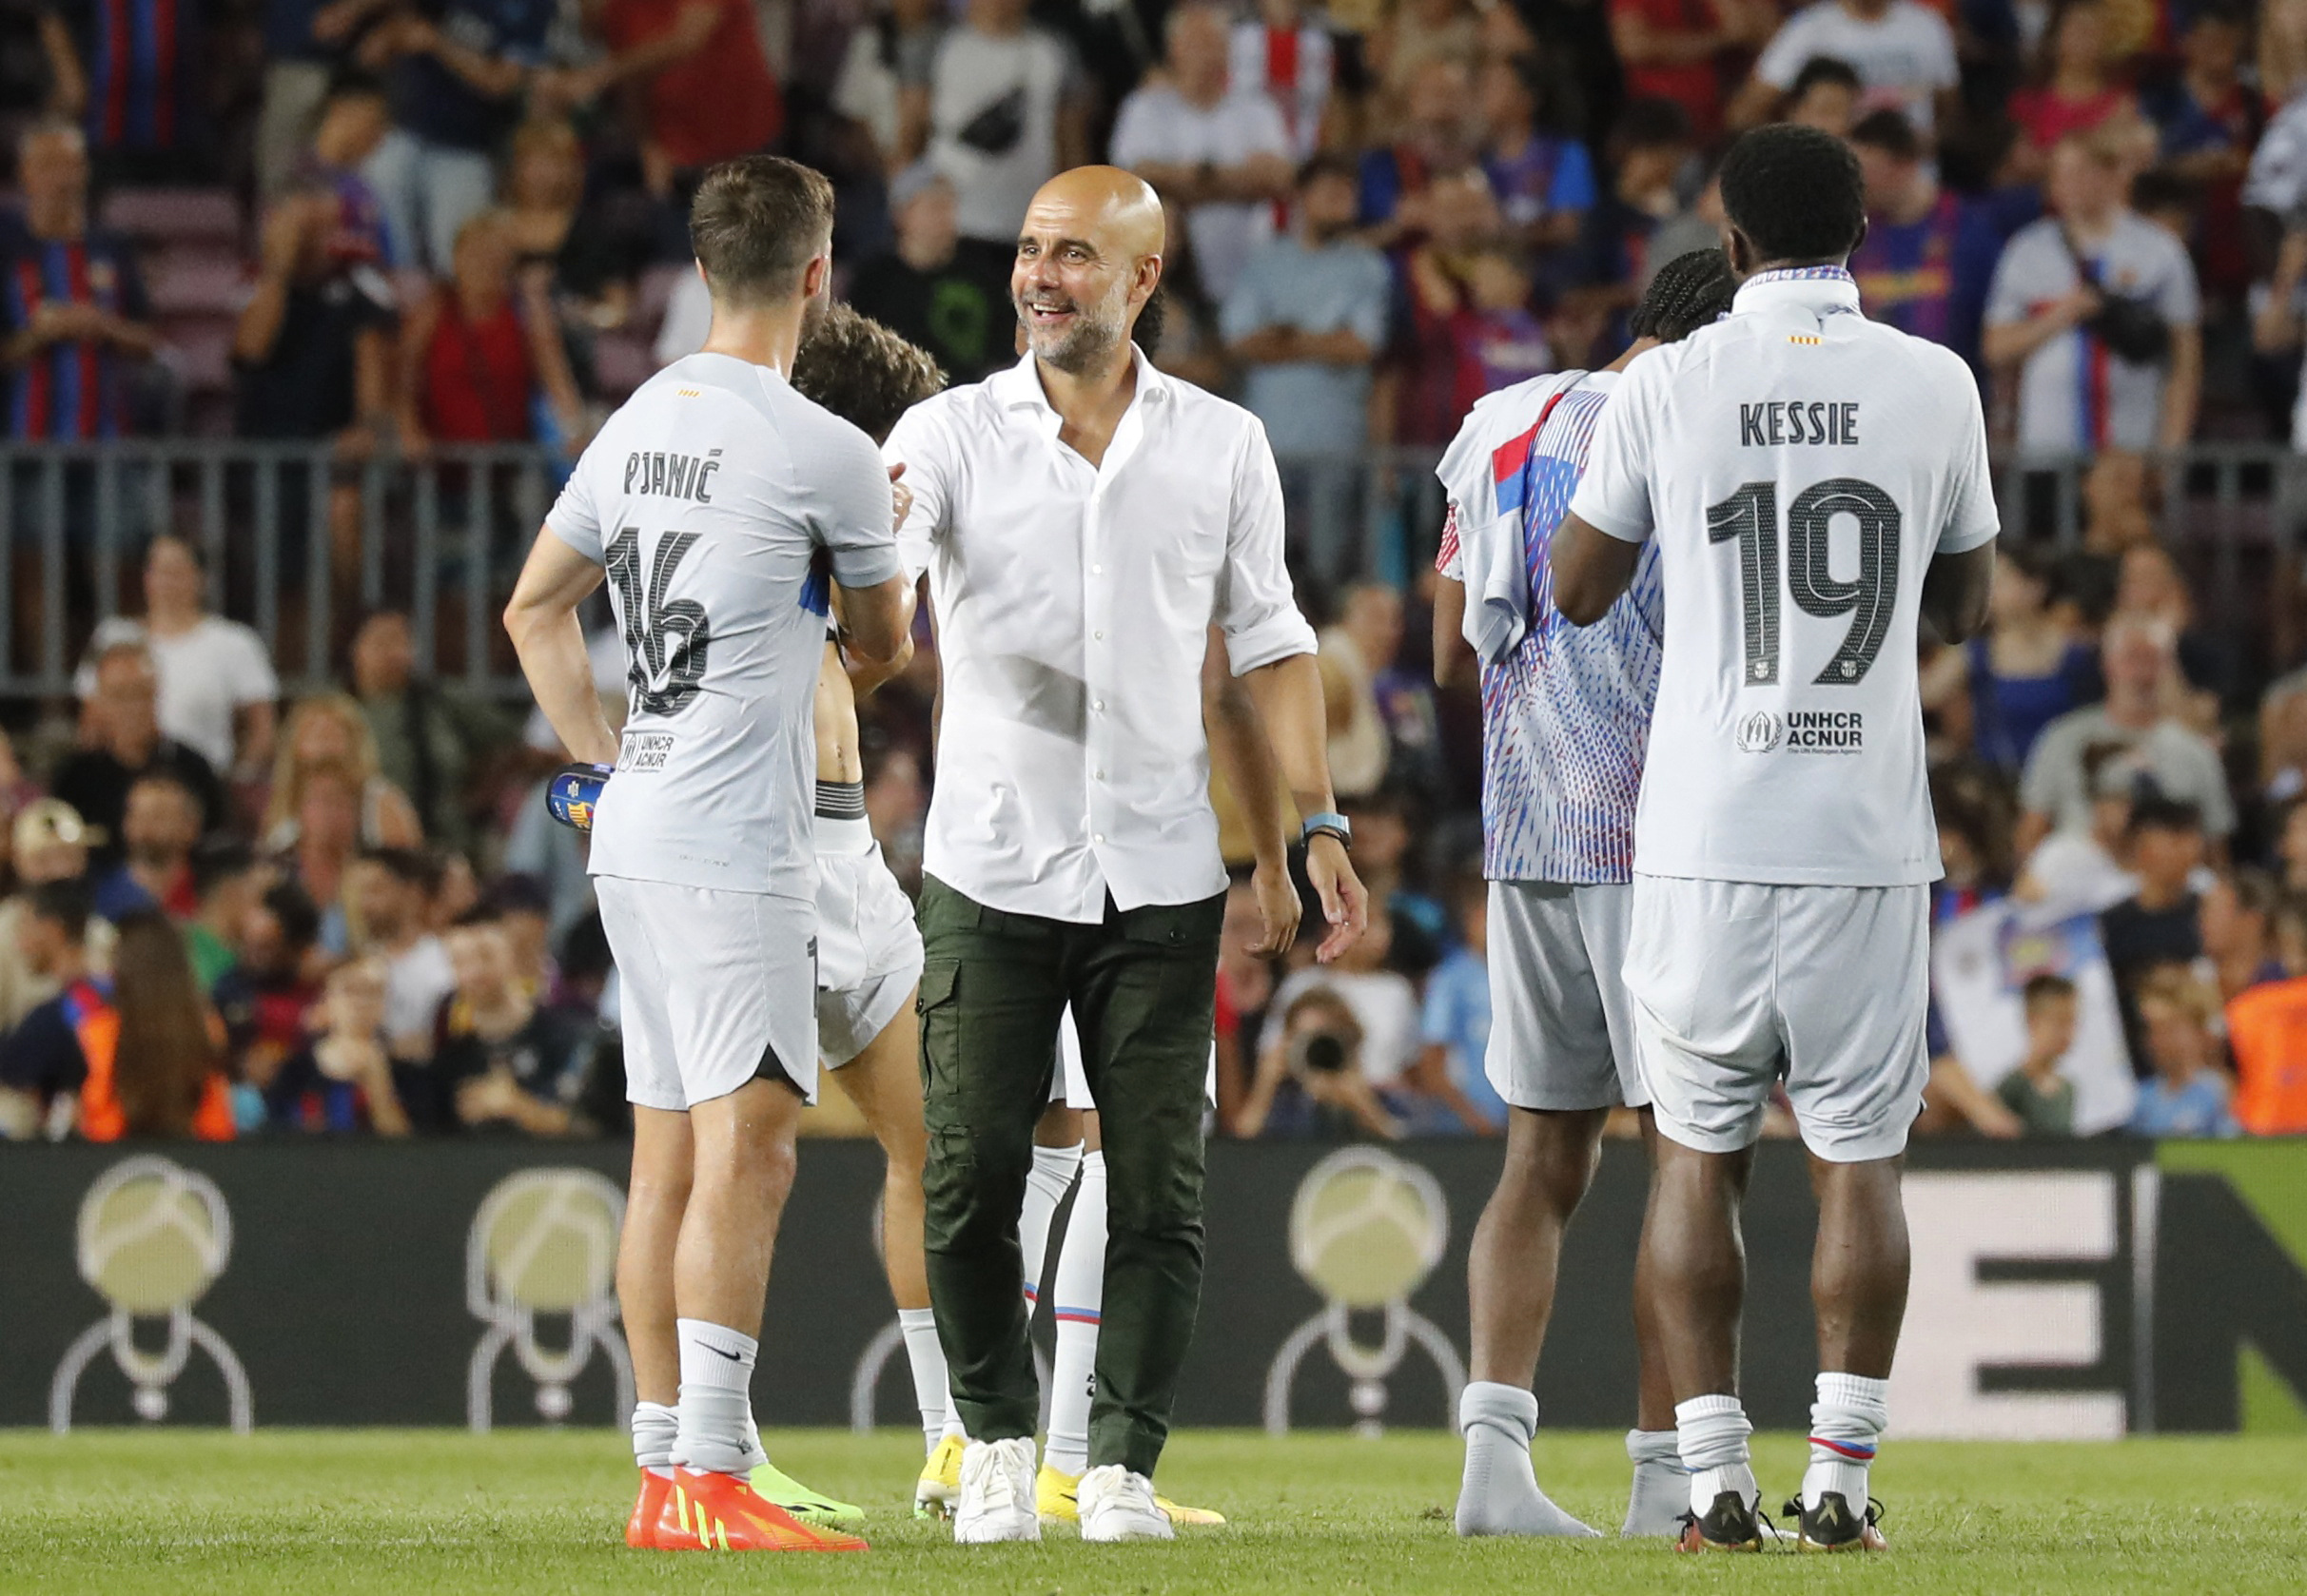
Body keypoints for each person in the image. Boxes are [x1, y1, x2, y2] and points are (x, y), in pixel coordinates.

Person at [881, 165, 1364, 1544]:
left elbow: (1269, 646)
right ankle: (990, 1446)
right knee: (970, 1176)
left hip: (1158, 875)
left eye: (1075, 255)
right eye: (1032, 248)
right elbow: (882, 587)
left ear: (1144, 277)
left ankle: (1117, 1470)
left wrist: (1313, 824)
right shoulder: (946, 433)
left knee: (1159, 1188)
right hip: (990, 867)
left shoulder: (1223, 443)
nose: (1040, 275)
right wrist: (864, 609)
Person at [1549, 124, 1999, 1552]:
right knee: (1859, 1158)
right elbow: (1963, 609)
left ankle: (1714, 1487)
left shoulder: (1669, 381)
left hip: (1703, 829)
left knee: (1695, 1153)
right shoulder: (1935, 381)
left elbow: (1575, 585)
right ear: (1861, 233)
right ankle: (1842, 1488)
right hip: (1864, 832)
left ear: (1729, 242)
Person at [505, 154, 909, 1554]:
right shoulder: (824, 448)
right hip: (738, 840)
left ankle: (664, 1471)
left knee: (667, 1154)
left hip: (638, 830)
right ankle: (716, 1470)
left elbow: (534, 611)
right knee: (754, 1149)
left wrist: (602, 759)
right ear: (818, 274)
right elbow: (883, 643)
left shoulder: (638, 418)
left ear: (700, 270)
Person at [1431, 247, 1737, 1538]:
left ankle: (1492, 1469)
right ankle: (1667, 1478)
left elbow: (1448, 646)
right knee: (1687, 1158)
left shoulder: (1500, 418)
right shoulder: (1690, 420)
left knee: (1540, 1158)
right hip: (1651, 842)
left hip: (1523, 834)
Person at [784, 301, 974, 1512]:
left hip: (846, 849)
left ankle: (950, 1439)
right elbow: (887, 642)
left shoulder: (804, 505)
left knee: (932, 1145)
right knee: (723, 1158)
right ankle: (697, 1452)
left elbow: (860, 655)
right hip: (760, 847)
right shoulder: (778, 496)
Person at [1222, 155, 1390, 595]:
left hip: (1336, 446)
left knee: (1325, 577)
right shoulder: (1264, 263)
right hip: (1268, 445)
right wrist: (1325, 340)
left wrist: (1285, 335)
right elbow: (1239, 341)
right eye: (1330, 192)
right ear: (1301, 197)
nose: (1341, 202)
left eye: (1347, 194)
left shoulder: (1367, 267)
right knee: (1255, 577)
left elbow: (1360, 346)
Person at [1984, 127, 2203, 454]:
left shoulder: (2160, 251)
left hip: (2130, 442)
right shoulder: (2028, 251)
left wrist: (2171, 450)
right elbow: (1996, 347)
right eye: (2060, 174)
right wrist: (2064, 314)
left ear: (2114, 175)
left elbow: (2185, 357)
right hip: (2047, 447)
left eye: (2080, 172)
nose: (2068, 184)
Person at [0, 895, 233, 1141]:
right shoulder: (209, 1028)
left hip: (103, 1153)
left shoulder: (93, 1030)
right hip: (204, 1153)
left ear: (121, 966)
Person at [1107, 3, 1293, 306]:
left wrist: (1186, 182)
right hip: (1171, 280)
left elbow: (1280, 179)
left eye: (1215, 43)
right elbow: (1135, 180)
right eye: (1197, 44)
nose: (1207, 54)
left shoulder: (1257, 110)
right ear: (1174, 49)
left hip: (1252, 275)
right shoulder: (1145, 109)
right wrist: (1238, 182)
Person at [2018, 614, 2232, 857]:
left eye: (2152, 659)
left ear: (2169, 669)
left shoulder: (2195, 751)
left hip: (2165, 873)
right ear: (2108, 663)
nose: (2141, 672)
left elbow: (2216, 849)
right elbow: (2031, 832)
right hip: (2080, 868)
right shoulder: (2062, 738)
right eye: (2131, 658)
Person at [71, 538, 279, 784]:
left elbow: (262, 729)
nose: (167, 582)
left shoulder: (235, 642)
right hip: (121, 781)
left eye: (177, 571)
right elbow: (91, 724)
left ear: (202, 578)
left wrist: (238, 781)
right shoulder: (112, 635)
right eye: (159, 570)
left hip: (207, 781)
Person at [0, 120, 155, 442]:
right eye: (48, 165)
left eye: (71, 165)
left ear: (86, 172)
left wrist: (102, 326)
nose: (61, 178)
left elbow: (148, 340)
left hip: (107, 442)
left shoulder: (113, 247)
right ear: (25, 174)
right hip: (22, 445)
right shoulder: (8, 247)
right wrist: (40, 335)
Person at [348, 610, 518, 857]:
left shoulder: (441, 701)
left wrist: (479, 797)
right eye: (382, 642)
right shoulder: (339, 711)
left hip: (449, 847)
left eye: (402, 641)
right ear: (355, 649)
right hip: (368, 849)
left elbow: (513, 742)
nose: (393, 653)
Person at [926, 0, 1092, 249]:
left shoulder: (1050, 50)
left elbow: (1070, 136)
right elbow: (914, 127)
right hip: (957, 217)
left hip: (1031, 217)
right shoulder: (944, 47)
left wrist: (1077, 209)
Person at [50, 639, 225, 866]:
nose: (132, 708)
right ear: (98, 703)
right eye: (120, 695)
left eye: (141, 694)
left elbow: (215, 845)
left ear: (157, 696)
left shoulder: (192, 769)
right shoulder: (74, 778)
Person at [847, 165, 1012, 386]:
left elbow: (1003, 347)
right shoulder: (874, 279)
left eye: (949, 207)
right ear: (902, 214)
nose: (944, 218)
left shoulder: (982, 272)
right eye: (934, 207)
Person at [433, 912, 589, 1136]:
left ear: (513, 955)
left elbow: (589, 1126)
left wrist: (519, 1107)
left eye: (485, 956)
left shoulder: (562, 1037)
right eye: (459, 962)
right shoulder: (453, 1055)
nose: (474, 972)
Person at [1733, 0, 1961, 140]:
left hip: (1908, 180)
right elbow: (1747, 111)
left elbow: (1948, 106)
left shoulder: (1927, 25)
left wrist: (1925, 142)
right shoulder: (1808, 29)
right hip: (1831, 177)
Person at [265, 954, 412, 1135]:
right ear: (327, 1000)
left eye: (373, 991)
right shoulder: (295, 1071)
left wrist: (378, 1081)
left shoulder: (407, 1074)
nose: (361, 1002)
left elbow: (412, 1144)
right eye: (350, 990)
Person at [344, 847, 455, 1063]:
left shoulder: (444, 961)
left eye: (375, 891)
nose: (365, 905)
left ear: (412, 893)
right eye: (360, 893)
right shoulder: (357, 964)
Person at [2127, 965, 2241, 1137]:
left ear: (2200, 1032)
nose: (2158, 1041)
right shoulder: (2140, 1098)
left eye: (2170, 1030)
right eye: (2151, 1030)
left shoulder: (2218, 1093)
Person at [91, 771, 203, 923]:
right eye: (135, 815)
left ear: (190, 827)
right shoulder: (99, 895)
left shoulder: (207, 893)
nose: (144, 827)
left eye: (157, 817)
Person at [1994, 973, 2082, 1135]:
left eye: (2072, 1021)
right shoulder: (2012, 1088)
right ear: (2032, 1021)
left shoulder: (2068, 1089)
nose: (2068, 1032)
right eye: (2059, 1021)